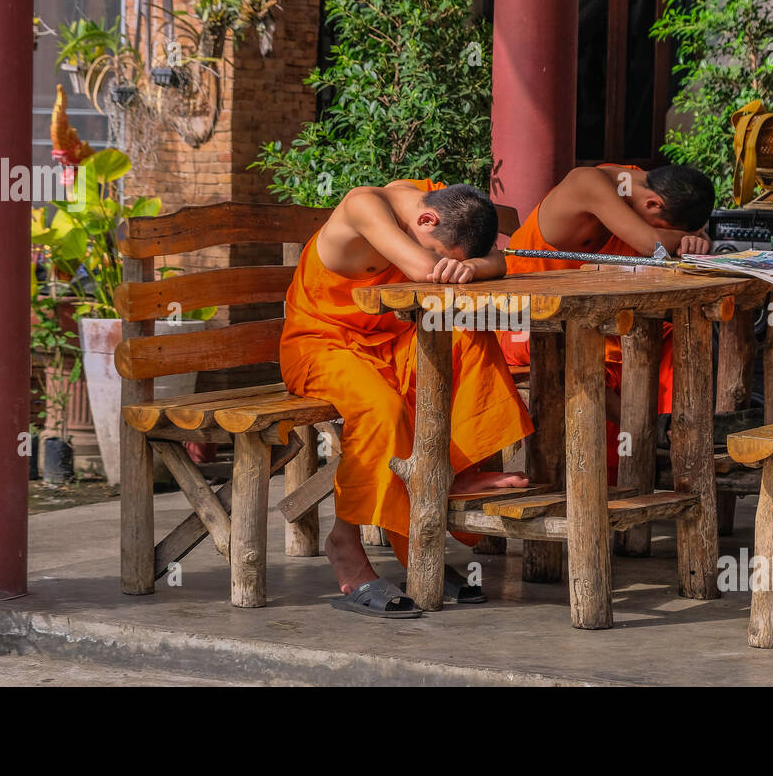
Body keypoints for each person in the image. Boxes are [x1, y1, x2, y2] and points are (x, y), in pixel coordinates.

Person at [281, 178, 534, 618]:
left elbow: (502, 258)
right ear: (427, 220)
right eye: (443, 253)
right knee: (384, 408)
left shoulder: (431, 197)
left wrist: (473, 267)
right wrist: (459, 263)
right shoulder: (364, 205)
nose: (444, 262)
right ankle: (344, 543)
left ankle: (449, 470)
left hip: (391, 338)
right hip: (323, 345)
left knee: (470, 335)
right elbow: (423, 270)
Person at [497, 164, 716, 479]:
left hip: (591, 316)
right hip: (526, 320)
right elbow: (652, 246)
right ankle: (643, 427)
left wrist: (695, 237)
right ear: (652, 204)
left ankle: (673, 431)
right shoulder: (589, 182)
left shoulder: (644, 187)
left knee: (666, 338)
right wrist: (684, 238)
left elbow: (671, 236)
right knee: (594, 353)